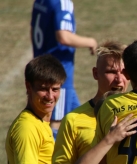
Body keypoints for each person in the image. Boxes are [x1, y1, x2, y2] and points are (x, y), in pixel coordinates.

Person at [31, 0, 98, 139]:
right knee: (55, 125)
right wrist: (91, 42)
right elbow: (63, 36)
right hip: (58, 76)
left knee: (83, 123)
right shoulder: (62, 3)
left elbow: (33, 30)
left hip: (45, 68)